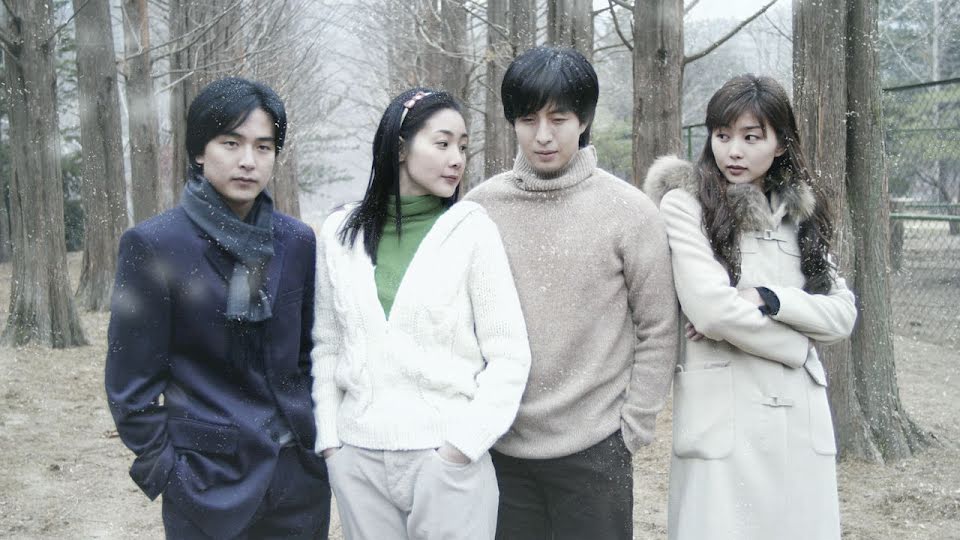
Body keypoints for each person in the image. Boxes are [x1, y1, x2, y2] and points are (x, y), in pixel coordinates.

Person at [464, 46, 679, 540]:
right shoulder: (480, 209)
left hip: (597, 450)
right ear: (512, 123)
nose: (543, 135)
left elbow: (658, 326)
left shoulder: (630, 212)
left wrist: (633, 426)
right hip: (500, 449)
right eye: (527, 119)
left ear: (584, 120)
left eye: (558, 119)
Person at [105, 77, 330, 539]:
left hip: (298, 481)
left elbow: (309, 356)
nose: (248, 160)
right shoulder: (156, 245)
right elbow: (131, 388)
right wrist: (169, 472)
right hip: (206, 485)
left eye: (263, 147)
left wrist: (311, 447)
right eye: (231, 143)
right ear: (199, 151)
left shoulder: (297, 241)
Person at [642, 74, 858, 540]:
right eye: (723, 136)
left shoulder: (801, 214)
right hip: (724, 419)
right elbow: (712, 311)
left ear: (780, 144)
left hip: (799, 422)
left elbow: (843, 315)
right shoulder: (686, 204)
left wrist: (769, 298)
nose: (733, 151)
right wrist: (798, 345)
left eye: (751, 138)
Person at [311, 87, 531, 540]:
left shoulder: (472, 231)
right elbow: (327, 346)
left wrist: (460, 448)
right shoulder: (339, 234)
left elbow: (510, 355)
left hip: (446, 460)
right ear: (400, 147)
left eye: (463, 147)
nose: (456, 159)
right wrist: (331, 443)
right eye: (442, 143)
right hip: (359, 460)